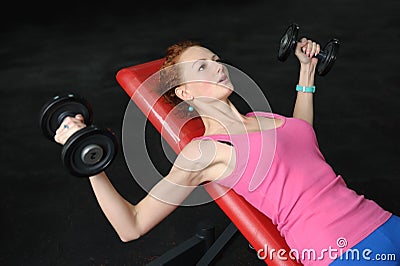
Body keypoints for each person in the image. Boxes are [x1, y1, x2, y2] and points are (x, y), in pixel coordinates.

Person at [54, 39, 399, 265]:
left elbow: (303, 137)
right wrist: (89, 160)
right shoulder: (205, 152)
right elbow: (131, 226)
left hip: (381, 221)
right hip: (339, 250)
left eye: (216, 60)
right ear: (185, 91)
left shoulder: (260, 117)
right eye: (202, 66)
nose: (219, 66)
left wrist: (306, 74)